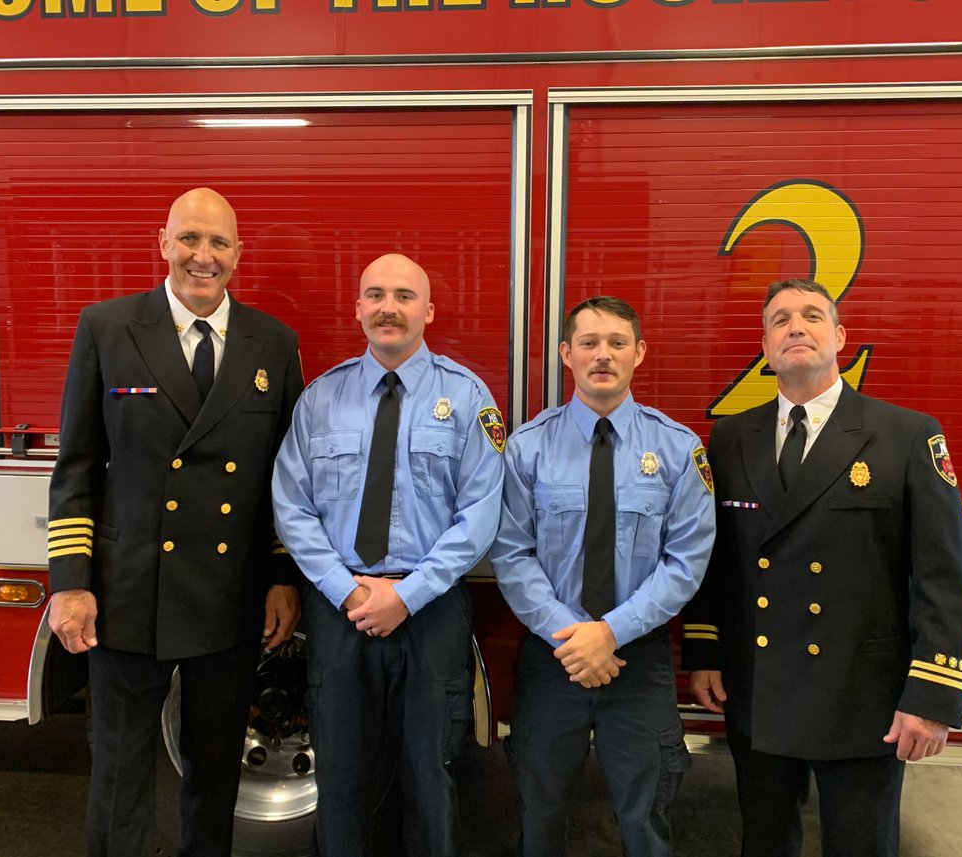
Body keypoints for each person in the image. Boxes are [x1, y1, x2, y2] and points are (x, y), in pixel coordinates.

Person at [45, 187, 305, 857]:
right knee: (121, 778)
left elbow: (286, 476)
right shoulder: (107, 327)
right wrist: (70, 581)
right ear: (162, 243)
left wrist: (281, 575)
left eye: (219, 242)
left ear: (238, 254)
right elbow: (76, 466)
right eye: (190, 238)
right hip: (130, 593)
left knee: (214, 775)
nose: (203, 255)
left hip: (229, 596)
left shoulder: (273, 343)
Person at [681, 277, 962, 857]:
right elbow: (715, 560)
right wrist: (705, 652)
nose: (796, 326)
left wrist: (932, 694)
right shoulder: (732, 437)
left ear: (839, 336)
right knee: (764, 843)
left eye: (812, 316)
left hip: (863, 698)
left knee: (861, 846)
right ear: (765, 349)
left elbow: (943, 575)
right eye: (780, 319)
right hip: (759, 688)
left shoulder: (906, 434)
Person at [271, 253, 505, 856]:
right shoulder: (321, 398)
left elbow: (480, 513)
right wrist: (347, 590)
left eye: (404, 296)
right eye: (375, 295)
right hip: (340, 607)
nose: (388, 308)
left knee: (431, 777)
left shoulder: (468, 396)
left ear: (428, 311)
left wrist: (407, 594)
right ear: (358, 309)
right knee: (342, 779)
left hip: (429, 611)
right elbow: (291, 507)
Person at [490, 295, 716, 857]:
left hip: (638, 661)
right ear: (566, 354)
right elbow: (511, 554)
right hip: (553, 658)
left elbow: (686, 561)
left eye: (617, 343)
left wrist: (610, 632)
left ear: (639, 353)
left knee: (647, 820)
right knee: (538, 814)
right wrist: (573, 636)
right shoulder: (527, 448)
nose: (603, 355)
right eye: (588, 343)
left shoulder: (678, 448)